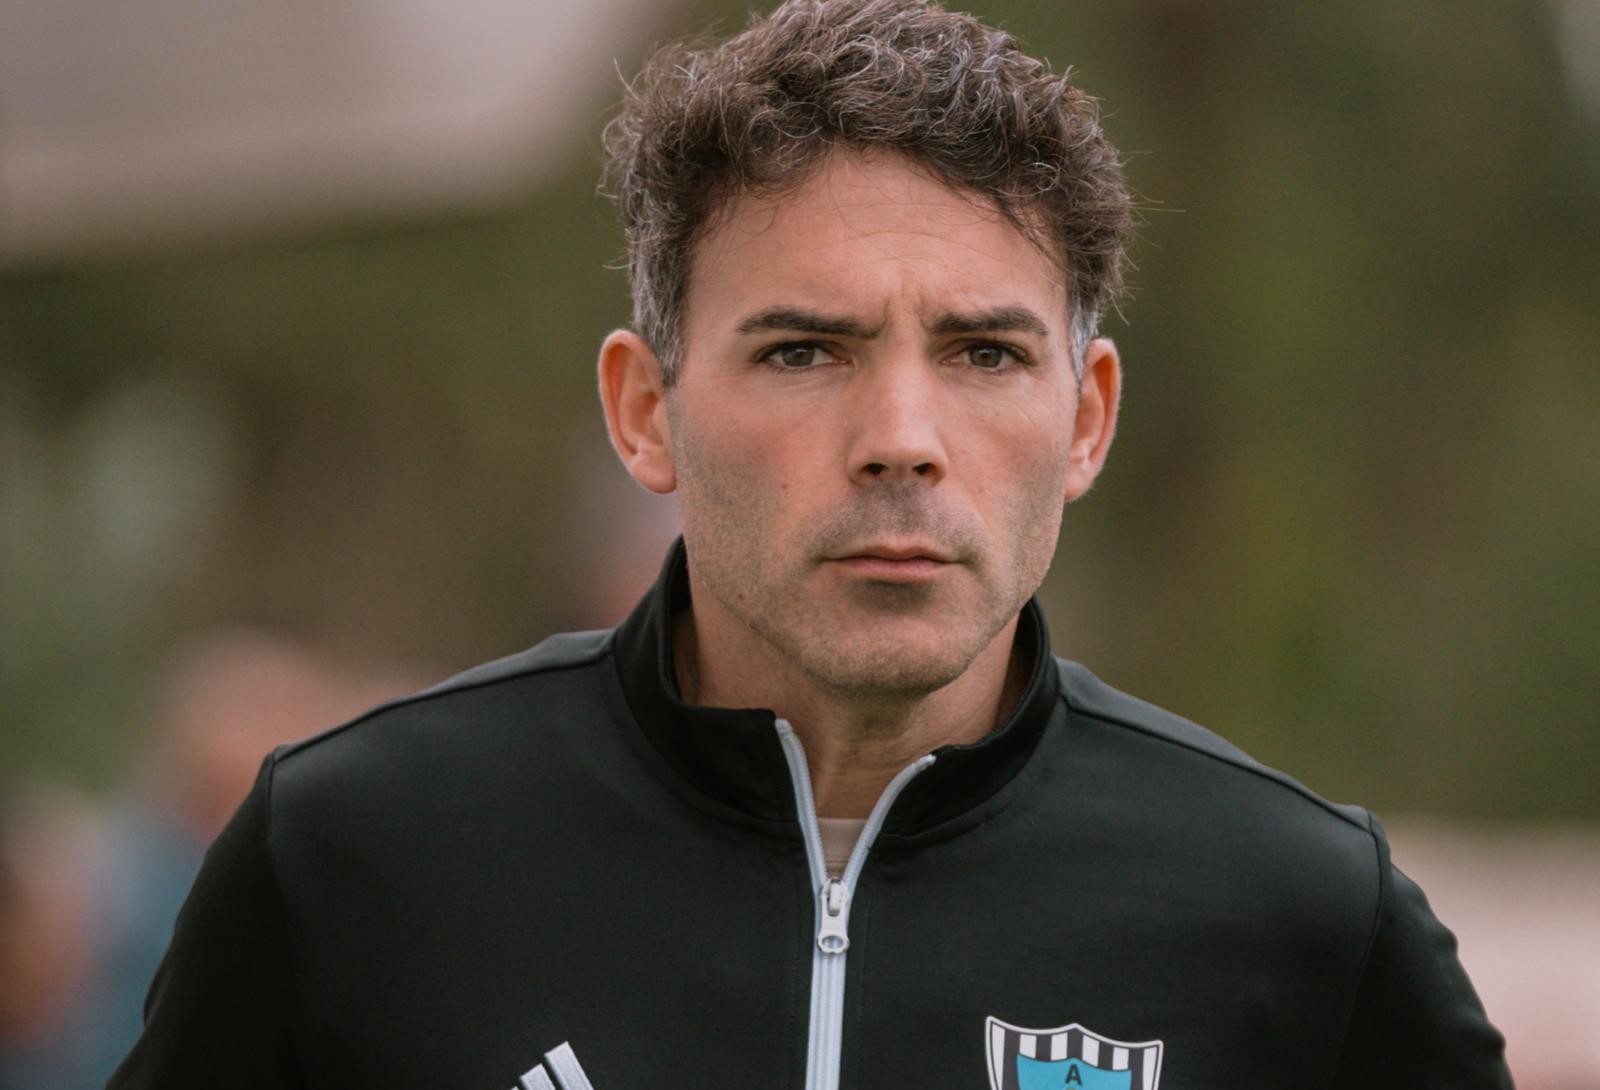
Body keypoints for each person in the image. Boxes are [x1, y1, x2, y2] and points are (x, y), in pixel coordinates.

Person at [108, 2, 1512, 1088]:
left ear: (1087, 420)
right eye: (802, 350)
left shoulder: (1302, 918)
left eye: (984, 353)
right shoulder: (349, 859)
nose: (901, 437)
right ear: (645, 412)